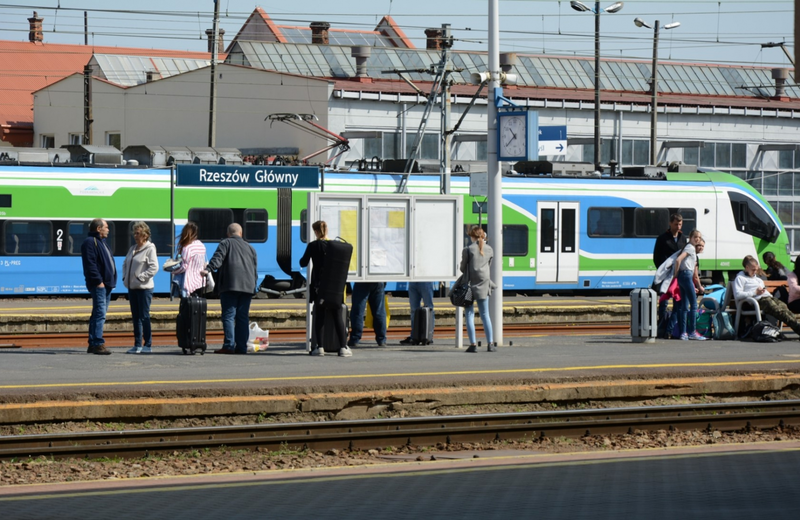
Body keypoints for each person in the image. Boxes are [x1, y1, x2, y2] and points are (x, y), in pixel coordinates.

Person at [204, 223, 259, 354]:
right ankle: (241, 347)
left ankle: (228, 345)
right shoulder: (251, 248)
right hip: (248, 287)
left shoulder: (225, 243)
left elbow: (218, 259)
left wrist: (207, 269)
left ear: (228, 233)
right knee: (243, 317)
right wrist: (254, 286)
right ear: (241, 233)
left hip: (230, 285)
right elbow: (255, 269)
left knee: (228, 316)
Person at [300, 220, 352, 357]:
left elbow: (303, 262)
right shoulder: (334, 246)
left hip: (319, 287)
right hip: (334, 288)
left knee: (320, 316)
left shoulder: (312, 246)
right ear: (326, 230)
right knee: (337, 317)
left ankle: (319, 347)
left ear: (316, 232)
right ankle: (343, 347)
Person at [733, 255, 800, 337]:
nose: (755, 272)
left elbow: (765, 292)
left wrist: (766, 293)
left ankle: (794, 326)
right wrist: (755, 292)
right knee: (778, 310)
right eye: (753, 270)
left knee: (784, 307)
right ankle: (797, 328)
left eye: (756, 270)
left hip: (767, 298)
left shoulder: (758, 280)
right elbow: (738, 295)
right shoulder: (740, 278)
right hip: (755, 301)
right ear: (747, 267)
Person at [81, 218, 117, 355]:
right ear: (98, 229)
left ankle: (93, 343)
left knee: (98, 313)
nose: (108, 229)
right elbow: (90, 265)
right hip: (100, 285)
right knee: (100, 314)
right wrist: (98, 281)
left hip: (107, 284)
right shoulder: (90, 243)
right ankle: (97, 343)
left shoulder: (102, 242)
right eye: (106, 227)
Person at [122, 221, 158, 354]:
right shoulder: (132, 249)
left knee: (144, 316)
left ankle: (147, 344)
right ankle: (137, 345)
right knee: (135, 317)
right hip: (132, 288)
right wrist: (125, 278)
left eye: (138, 233)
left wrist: (140, 278)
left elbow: (154, 267)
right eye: (134, 233)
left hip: (144, 288)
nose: (135, 236)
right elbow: (125, 263)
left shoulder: (150, 249)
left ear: (145, 234)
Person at [461, 225, 497, 353]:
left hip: (469, 287)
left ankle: (473, 344)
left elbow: (462, 268)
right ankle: (490, 344)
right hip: (483, 285)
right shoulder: (489, 250)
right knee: (485, 315)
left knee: (469, 315)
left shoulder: (468, 250)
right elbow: (488, 265)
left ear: (472, 236)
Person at [653, 213, 687, 338]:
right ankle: (661, 328)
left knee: (677, 303)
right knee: (663, 303)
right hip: (666, 275)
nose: (678, 227)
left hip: (678, 276)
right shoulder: (662, 238)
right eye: (676, 224)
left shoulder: (683, 238)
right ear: (670, 223)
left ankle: (670, 329)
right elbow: (656, 257)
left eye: (680, 224)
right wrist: (663, 270)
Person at [673, 230, 706, 341]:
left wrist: (678, 275)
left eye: (699, 238)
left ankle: (683, 333)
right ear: (690, 237)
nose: (697, 239)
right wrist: (675, 274)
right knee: (694, 305)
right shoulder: (691, 248)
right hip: (686, 275)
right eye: (695, 237)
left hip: (683, 276)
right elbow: (678, 260)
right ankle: (692, 332)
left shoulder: (688, 247)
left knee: (684, 306)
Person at [171, 222, 207, 297]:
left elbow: (184, 267)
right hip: (199, 281)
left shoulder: (187, 248)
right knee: (197, 306)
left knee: (187, 306)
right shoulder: (201, 245)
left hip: (189, 283)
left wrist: (174, 271)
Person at [348, 282, 387, 348]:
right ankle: (381, 339)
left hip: (362, 281)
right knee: (379, 311)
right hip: (379, 280)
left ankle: (355, 339)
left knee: (358, 311)